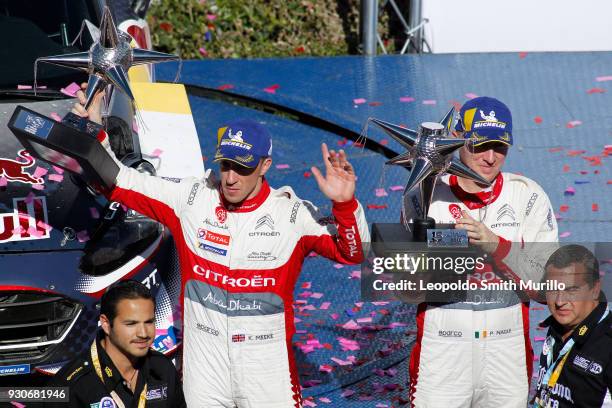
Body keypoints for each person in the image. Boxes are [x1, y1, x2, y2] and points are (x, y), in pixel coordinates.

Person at [71, 88, 370, 407]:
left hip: (267, 370)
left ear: (265, 165)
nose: (230, 178)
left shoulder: (292, 215)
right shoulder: (192, 199)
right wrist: (92, 133)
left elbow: (352, 252)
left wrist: (345, 204)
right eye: (226, 164)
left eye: (242, 167)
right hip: (205, 369)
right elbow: (120, 182)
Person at [402, 96, 559, 407]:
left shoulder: (528, 196)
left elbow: (546, 287)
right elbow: (407, 282)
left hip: (506, 349)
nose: (490, 157)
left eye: (500, 147)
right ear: (458, 140)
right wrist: (454, 245)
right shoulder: (425, 192)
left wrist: (494, 245)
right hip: (441, 351)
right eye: (479, 145)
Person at [47, 280, 185, 407]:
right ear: (106, 324)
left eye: (149, 322)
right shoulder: (71, 384)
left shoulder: (163, 368)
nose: (143, 333)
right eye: (131, 324)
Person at [534, 245, 611, 407]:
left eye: (571, 290)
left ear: (595, 289)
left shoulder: (607, 344)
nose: (560, 301)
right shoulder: (558, 324)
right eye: (553, 290)